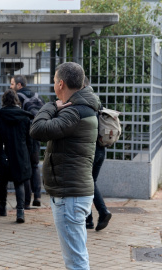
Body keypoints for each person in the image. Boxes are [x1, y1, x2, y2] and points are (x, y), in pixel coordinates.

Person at [30, 62, 100, 270]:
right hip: (72, 192)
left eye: (53, 82)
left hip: (69, 194)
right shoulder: (83, 107)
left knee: (76, 261)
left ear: (61, 84)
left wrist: (50, 106)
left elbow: (38, 130)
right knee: (76, 255)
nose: (53, 86)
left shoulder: (74, 112)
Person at [0, 90, 33, 223]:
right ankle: (20, 211)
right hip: (20, 154)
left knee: (2, 181)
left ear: (4, 101)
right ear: (16, 100)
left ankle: (2, 208)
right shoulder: (25, 118)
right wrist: (29, 155)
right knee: (19, 182)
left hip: (4, 153)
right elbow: (29, 140)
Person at [83, 77, 112, 231]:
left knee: (88, 183)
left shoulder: (85, 102)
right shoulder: (96, 101)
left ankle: (102, 211)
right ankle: (89, 220)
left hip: (92, 151)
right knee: (89, 183)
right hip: (100, 150)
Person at [10, 75, 42, 208]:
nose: (10, 87)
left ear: (19, 85)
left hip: (24, 136)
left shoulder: (17, 97)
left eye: (12, 84)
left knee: (26, 166)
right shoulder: (37, 96)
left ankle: (27, 201)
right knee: (35, 165)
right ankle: (38, 197)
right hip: (37, 134)